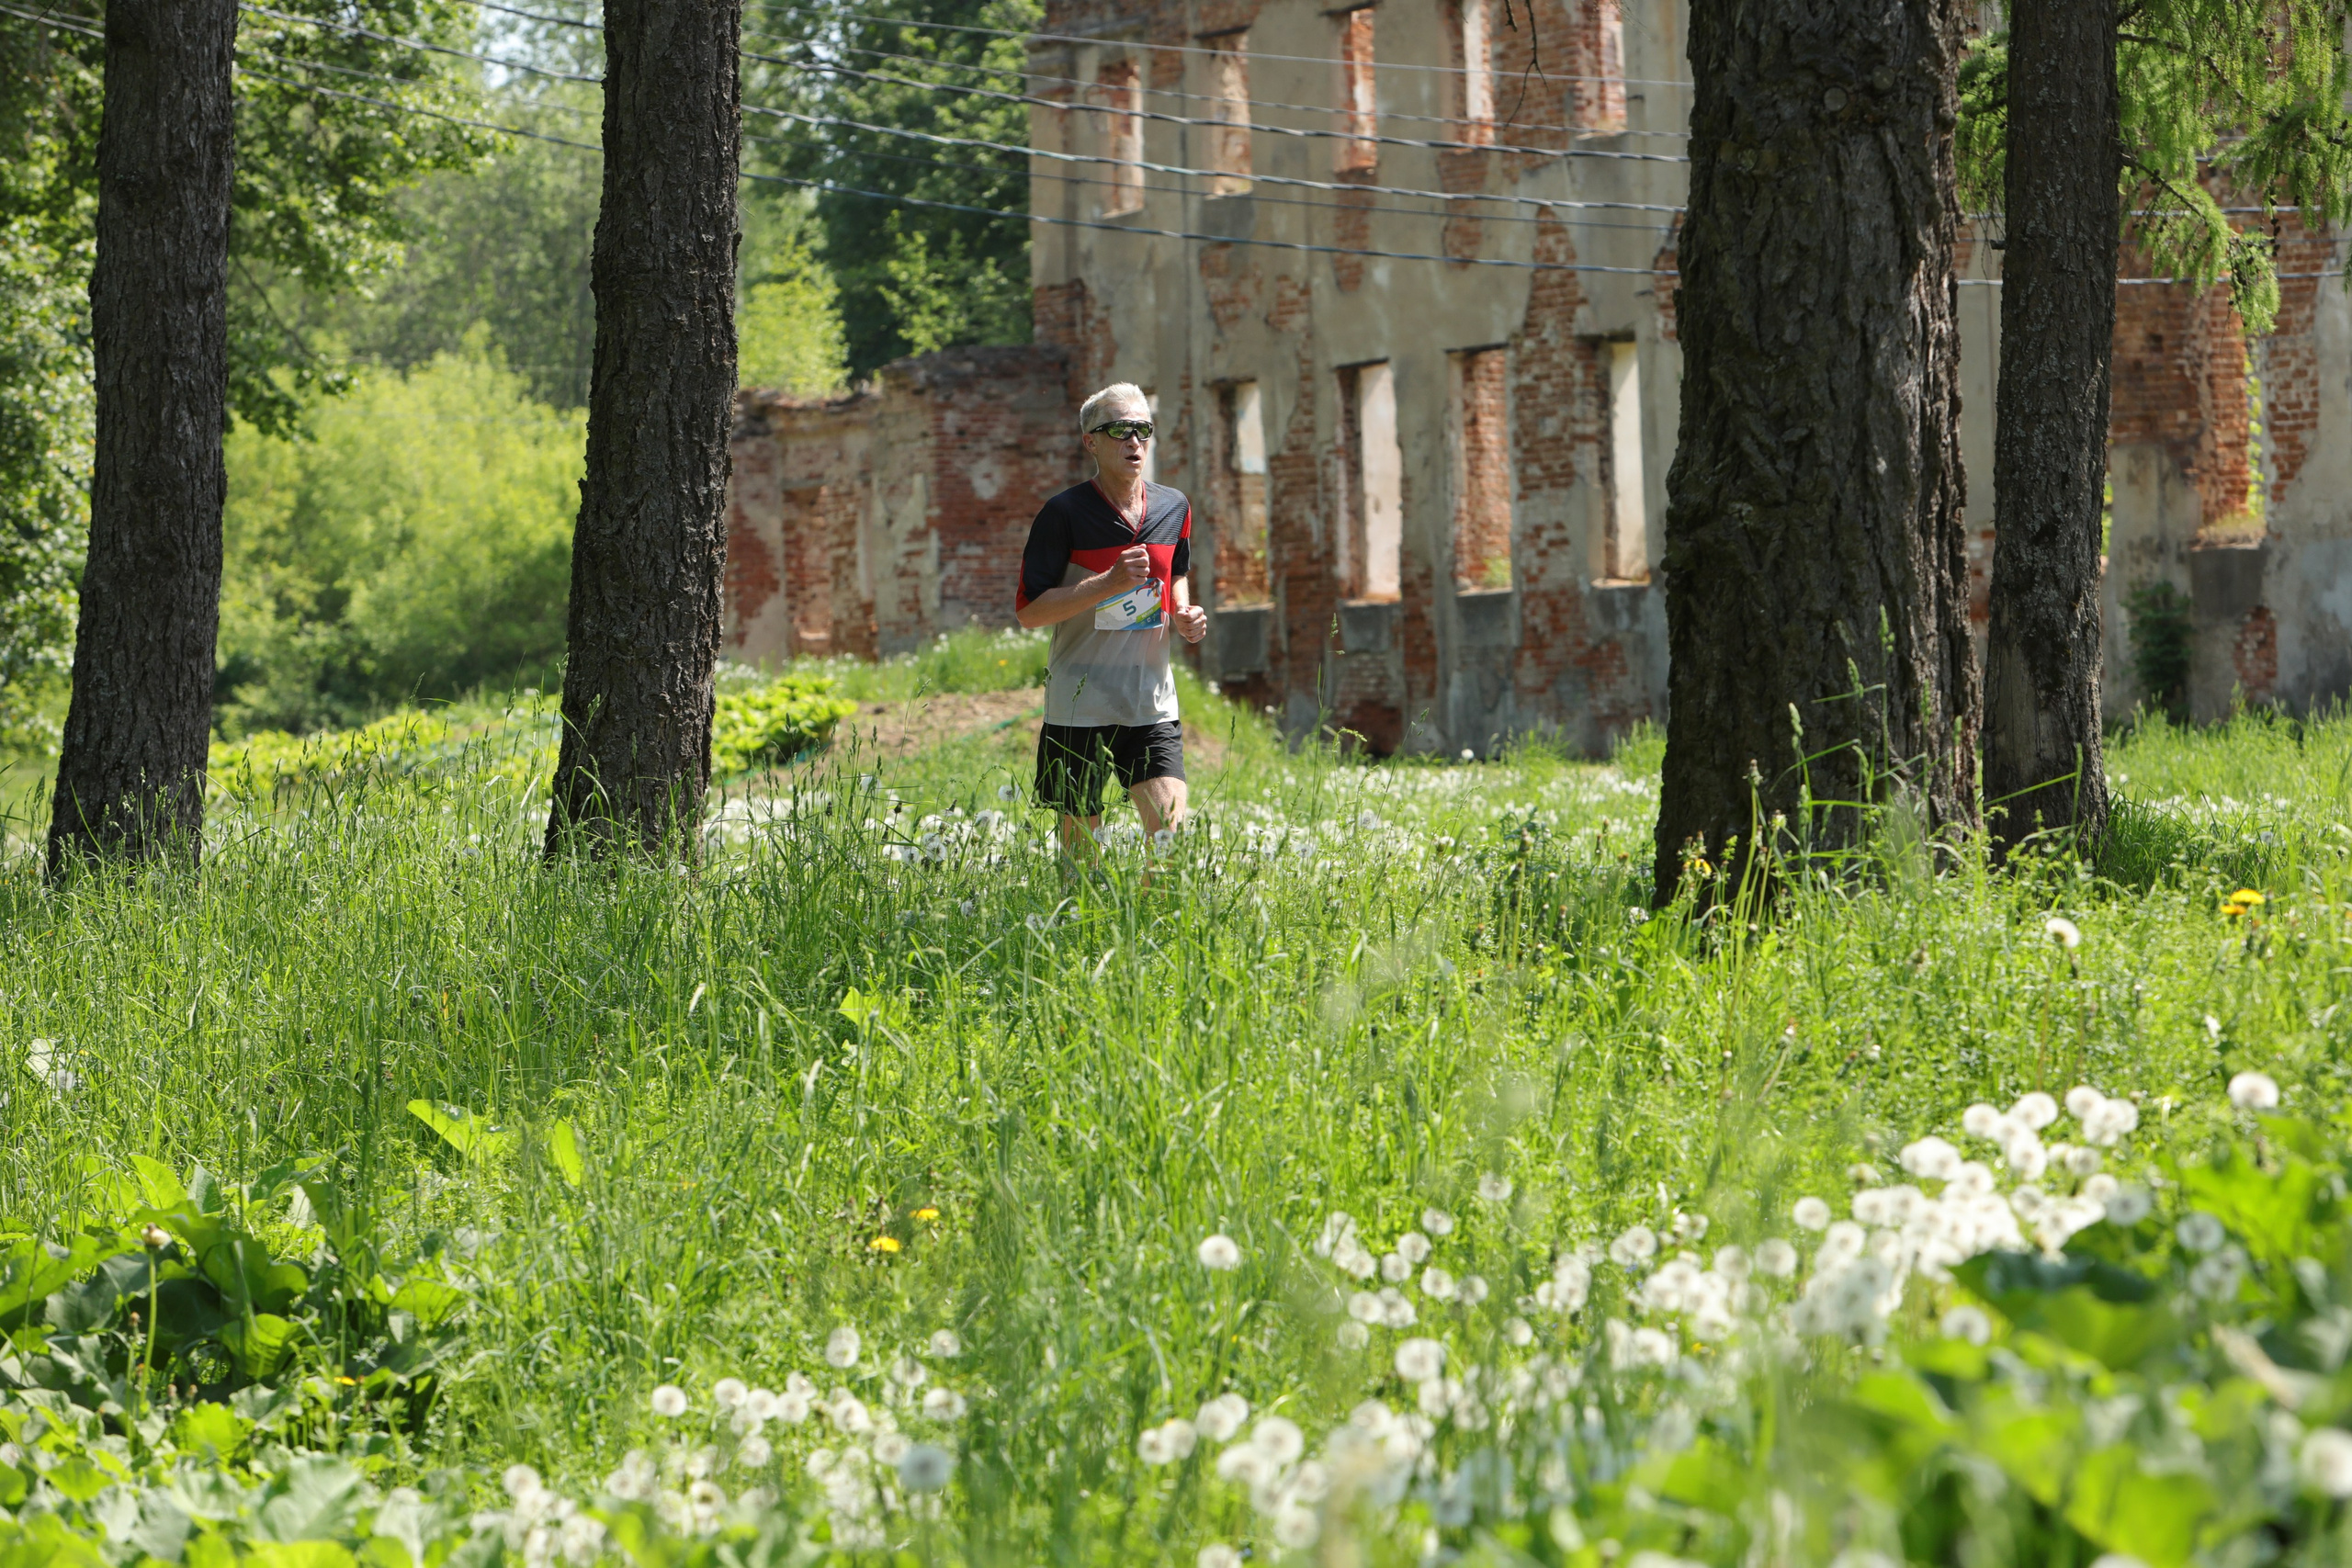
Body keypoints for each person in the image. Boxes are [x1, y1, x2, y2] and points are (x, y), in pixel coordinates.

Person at [1013, 382, 1208, 852]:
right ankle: (1084, 926)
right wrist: (1107, 583)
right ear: (1091, 442)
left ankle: (1152, 927)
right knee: (1081, 858)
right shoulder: (1062, 514)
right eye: (1119, 430)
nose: (1134, 441)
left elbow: (1176, 571)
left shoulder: (1173, 506)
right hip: (1079, 702)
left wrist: (1183, 610)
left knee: (1169, 836)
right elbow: (1029, 613)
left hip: (1150, 700)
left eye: (1143, 429)